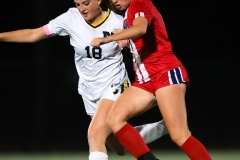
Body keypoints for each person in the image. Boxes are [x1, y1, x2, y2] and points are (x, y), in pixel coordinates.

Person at [0, 0, 169, 160]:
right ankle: (165, 127)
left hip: (114, 84)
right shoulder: (70, 18)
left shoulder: (118, 21)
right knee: (120, 147)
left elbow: (143, 33)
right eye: (78, 4)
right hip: (89, 90)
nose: (82, 8)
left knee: (95, 134)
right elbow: (33, 34)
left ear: (99, 1)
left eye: (86, 3)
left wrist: (126, 34)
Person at [91, 0, 212, 160]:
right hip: (145, 80)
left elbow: (141, 28)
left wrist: (109, 38)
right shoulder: (128, 13)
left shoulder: (140, 3)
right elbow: (141, 35)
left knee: (179, 135)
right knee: (114, 119)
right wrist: (125, 37)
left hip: (165, 73)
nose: (114, 1)